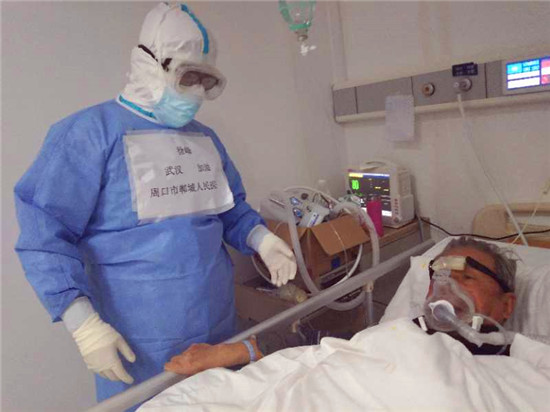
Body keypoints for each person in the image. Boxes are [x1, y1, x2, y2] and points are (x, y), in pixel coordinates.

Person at [14, 3, 297, 406]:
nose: (196, 93)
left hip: (217, 330)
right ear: (149, 65)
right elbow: (44, 236)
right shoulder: (89, 135)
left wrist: (260, 239)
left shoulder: (204, 139)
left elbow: (230, 209)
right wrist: (83, 324)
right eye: (187, 77)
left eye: (204, 80)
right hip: (138, 346)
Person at [164, 236, 518, 375]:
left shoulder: (524, 365)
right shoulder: (398, 333)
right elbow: (313, 342)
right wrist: (233, 351)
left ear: (507, 305)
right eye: (438, 276)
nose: (447, 287)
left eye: (466, 277)